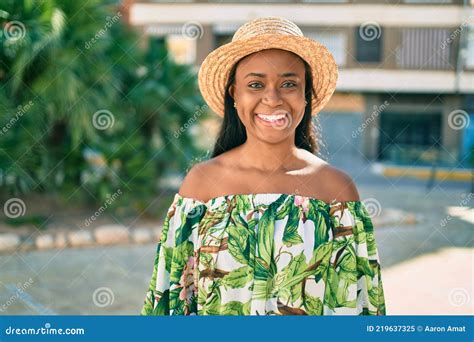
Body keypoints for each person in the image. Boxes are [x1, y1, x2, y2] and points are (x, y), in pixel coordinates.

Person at [141, 16, 386, 316]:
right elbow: (169, 304)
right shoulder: (201, 187)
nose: (272, 98)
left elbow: (361, 307)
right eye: (255, 84)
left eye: (289, 84)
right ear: (234, 94)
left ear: (306, 95)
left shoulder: (336, 191)